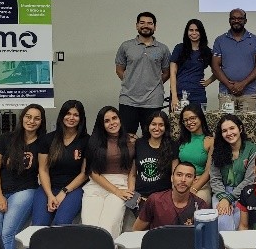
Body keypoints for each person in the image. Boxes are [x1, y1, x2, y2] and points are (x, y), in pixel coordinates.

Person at [0, 104, 46, 249]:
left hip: (24, 190)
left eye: (36, 118)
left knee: (7, 233)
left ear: (41, 121)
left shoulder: (43, 143)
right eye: (28, 117)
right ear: (22, 118)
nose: (31, 121)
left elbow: (44, 170)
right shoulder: (5, 139)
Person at [82, 106, 135, 237]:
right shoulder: (94, 141)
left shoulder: (131, 141)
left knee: (108, 227)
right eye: (107, 121)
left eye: (114, 118)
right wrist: (115, 190)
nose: (112, 123)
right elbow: (92, 172)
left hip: (121, 184)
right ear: (102, 125)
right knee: (89, 228)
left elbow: (132, 171)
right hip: (96, 185)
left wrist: (130, 191)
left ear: (120, 119)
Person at [33, 100, 89, 225]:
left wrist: (64, 191)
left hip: (74, 189)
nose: (71, 118)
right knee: (38, 224)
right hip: (48, 187)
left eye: (76, 115)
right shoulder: (48, 139)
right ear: (62, 115)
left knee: (61, 222)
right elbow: (43, 169)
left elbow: (84, 173)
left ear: (81, 118)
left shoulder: (86, 140)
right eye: (68, 114)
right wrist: (50, 195)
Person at [115, 11, 170, 136]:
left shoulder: (163, 49)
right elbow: (119, 69)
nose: (146, 26)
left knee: (152, 137)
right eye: (142, 23)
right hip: (128, 99)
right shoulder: (126, 46)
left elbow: (167, 72)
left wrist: (155, 83)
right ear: (137, 25)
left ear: (155, 27)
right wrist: (130, 81)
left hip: (153, 100)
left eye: (150, 23)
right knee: (126, 137)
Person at [210, 114, 256, 231]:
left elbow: (249, 180)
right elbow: (215, 178)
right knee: (223, 221)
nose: (229, 133)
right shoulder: (218, 149)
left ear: (240, 129)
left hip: (245, 193)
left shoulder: (252, 149)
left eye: (232, 128)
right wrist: (223, 198)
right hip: (221, 192)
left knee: (239, 220)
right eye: (224, 131)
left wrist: (229, 199)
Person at [212, 8, 256, 112]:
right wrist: (229, 85)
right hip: (226, 93)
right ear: (229, 20)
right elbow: (215, 66)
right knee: (226, 121)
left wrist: (243, 84)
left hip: (249, 93)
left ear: (245, 21)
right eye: (233, 18)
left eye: (240, 18)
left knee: (248, 122)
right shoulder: (220, 40)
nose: (236, 21)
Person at [133, 161, 210, 230]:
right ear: (172, 178)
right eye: (179, 175)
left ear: (194, 181)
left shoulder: (200, 206)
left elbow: (205, 236)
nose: (183, 179)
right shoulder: (155, 200)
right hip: (159, 241)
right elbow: (136, 230)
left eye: (188, 176)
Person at [129, 111, 176, 212]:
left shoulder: (173, 146)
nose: (157, 128)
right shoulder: (139, 144)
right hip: (140, 197)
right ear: (148, 126)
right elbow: (132, 175)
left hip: (163, 198)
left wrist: (172, 199)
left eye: (161, 125)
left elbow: (175, 176)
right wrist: (132, 196)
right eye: (153, 124)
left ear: (166, 127)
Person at [169, 18, 216, 112]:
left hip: (198, 95)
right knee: (178, 121)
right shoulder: (179, 48)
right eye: (191, 30)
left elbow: (218, 70)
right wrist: (174, 96)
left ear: (201, 32)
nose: (194, 33)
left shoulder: (207, 51)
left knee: (198, 120)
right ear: (187, 32)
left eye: (197, 30)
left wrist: (208, 81)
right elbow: (172, 73)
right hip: (179, 94)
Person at [175, 104, 214, 197]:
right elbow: (175, 166)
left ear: (200, 118)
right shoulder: (181, 141)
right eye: (185, 120)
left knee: (193, 201)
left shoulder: (210, 141)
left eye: (192, 118)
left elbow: (209, 170)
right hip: (181, 181)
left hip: (201, 183)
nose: (189, 122)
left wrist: (194, 188)